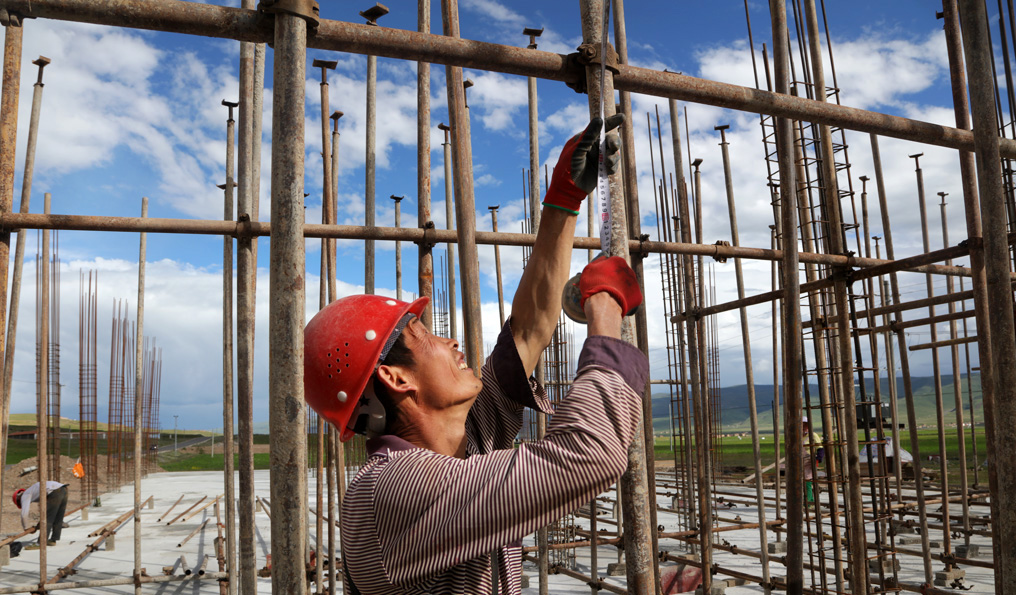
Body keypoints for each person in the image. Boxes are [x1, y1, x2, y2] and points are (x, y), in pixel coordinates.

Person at [304, 116, 645, 594]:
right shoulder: (390, 491)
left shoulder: (460, 441)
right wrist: (605, 314)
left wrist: (563, 203)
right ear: (395, 378)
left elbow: (528, 331)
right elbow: (589, 453)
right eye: (426, 338)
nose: (452, 342)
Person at [12, 481, 69, 546]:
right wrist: (39, 524)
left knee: (48, 518)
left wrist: (26, 528)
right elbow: (48, 509)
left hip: (55, 491)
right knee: (58, 516)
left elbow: (24, 514)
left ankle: (40, 543)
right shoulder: (33, 491)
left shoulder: (24, 495)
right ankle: (53, 540)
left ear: (18, 499)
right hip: (64, 489)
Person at [802, 416, 824, 504]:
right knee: (799, 482)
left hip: (808, 460)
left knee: (807, 481)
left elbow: (820, 447)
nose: (804, 427)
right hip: (798, 461)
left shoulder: (813, 435)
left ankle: (809, 501)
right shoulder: (797, 435)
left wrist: (819, 458)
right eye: (802, 425)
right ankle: (803, 500)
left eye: (805, 425)